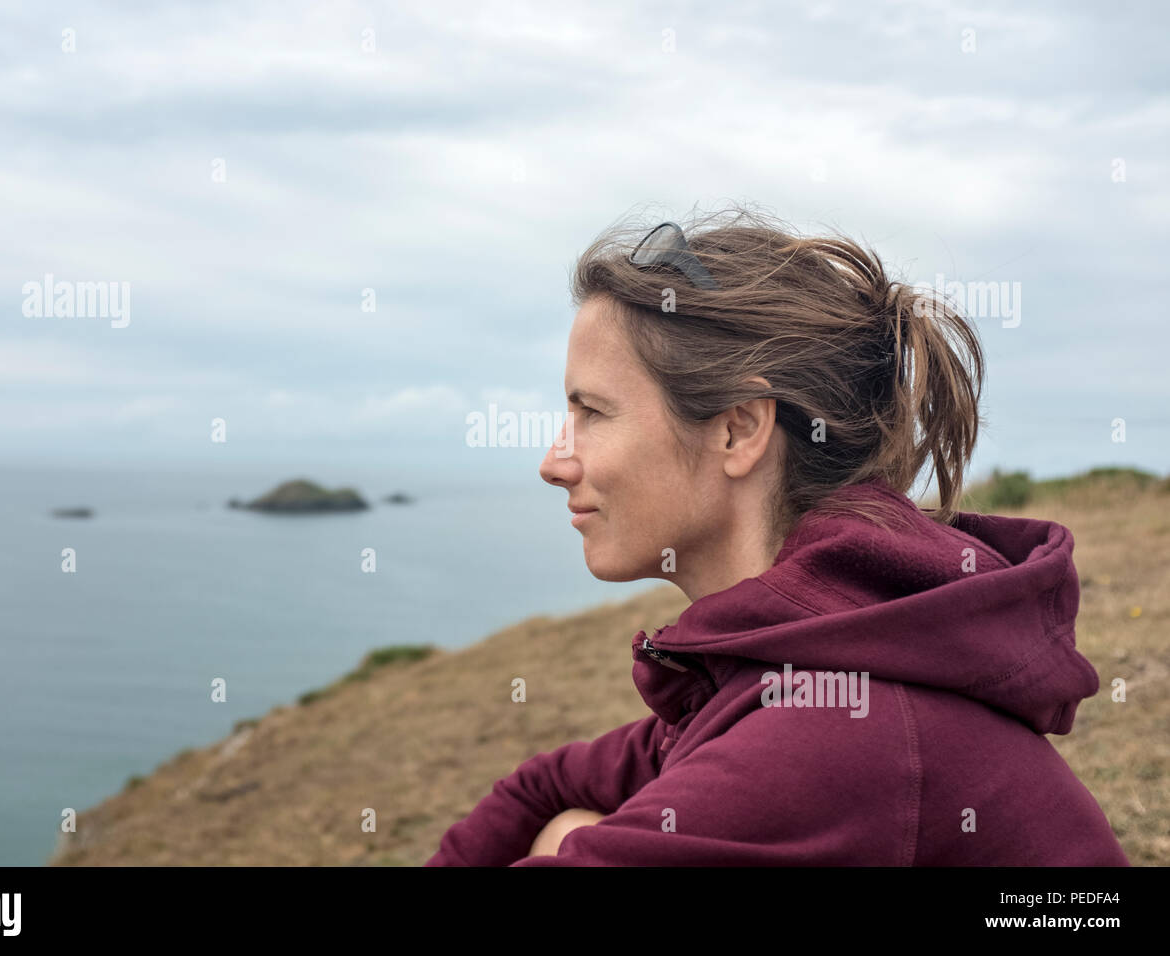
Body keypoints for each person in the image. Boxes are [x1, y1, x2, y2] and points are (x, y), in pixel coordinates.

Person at [424, 206, 1129, 866]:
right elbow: (542, 785)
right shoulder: (805, 654)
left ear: (738, 430)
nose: (554, 462)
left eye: (593, 412)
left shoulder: (836, 726)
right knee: (568, 825)